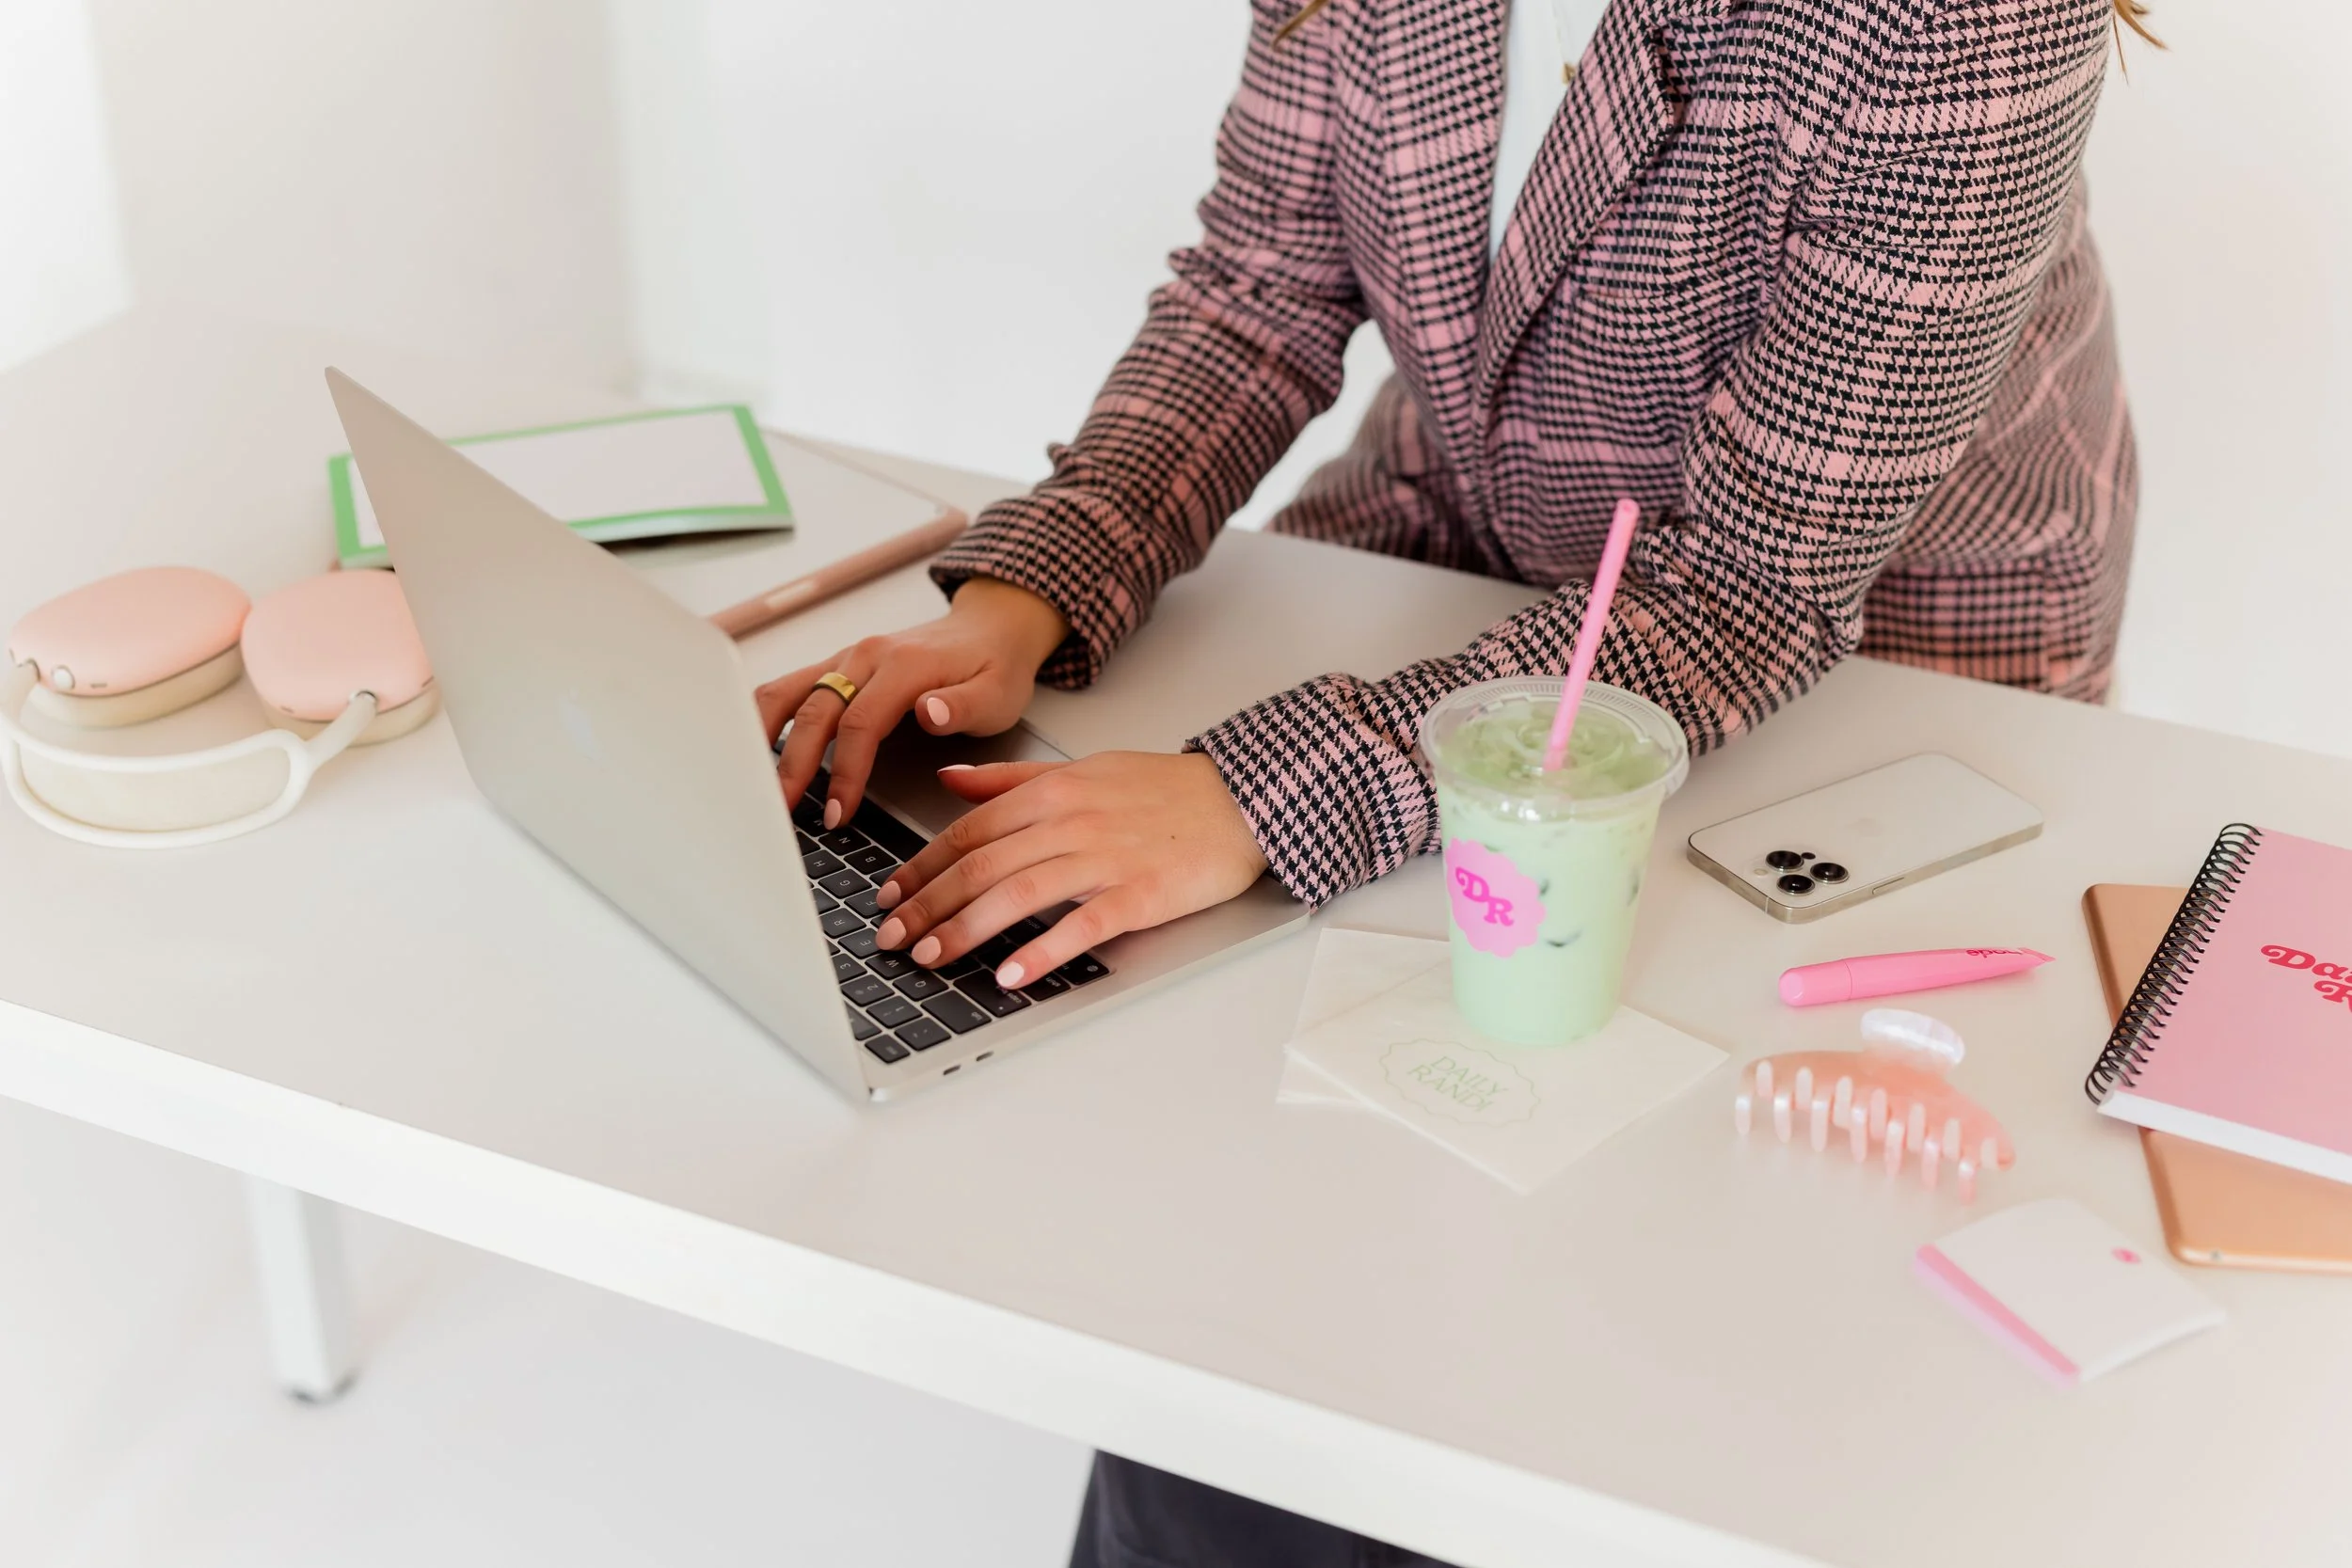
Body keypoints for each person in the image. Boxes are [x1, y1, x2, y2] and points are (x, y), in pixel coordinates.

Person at [758, 0, 2147, 1560]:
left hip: (1871, 652)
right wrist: (1025, 595)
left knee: (1610, 1235)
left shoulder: (1965, 24)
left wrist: (1247, 798)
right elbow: (1261, 290)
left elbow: (1747, 589)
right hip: (1467, 533)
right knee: (1254, 1173)